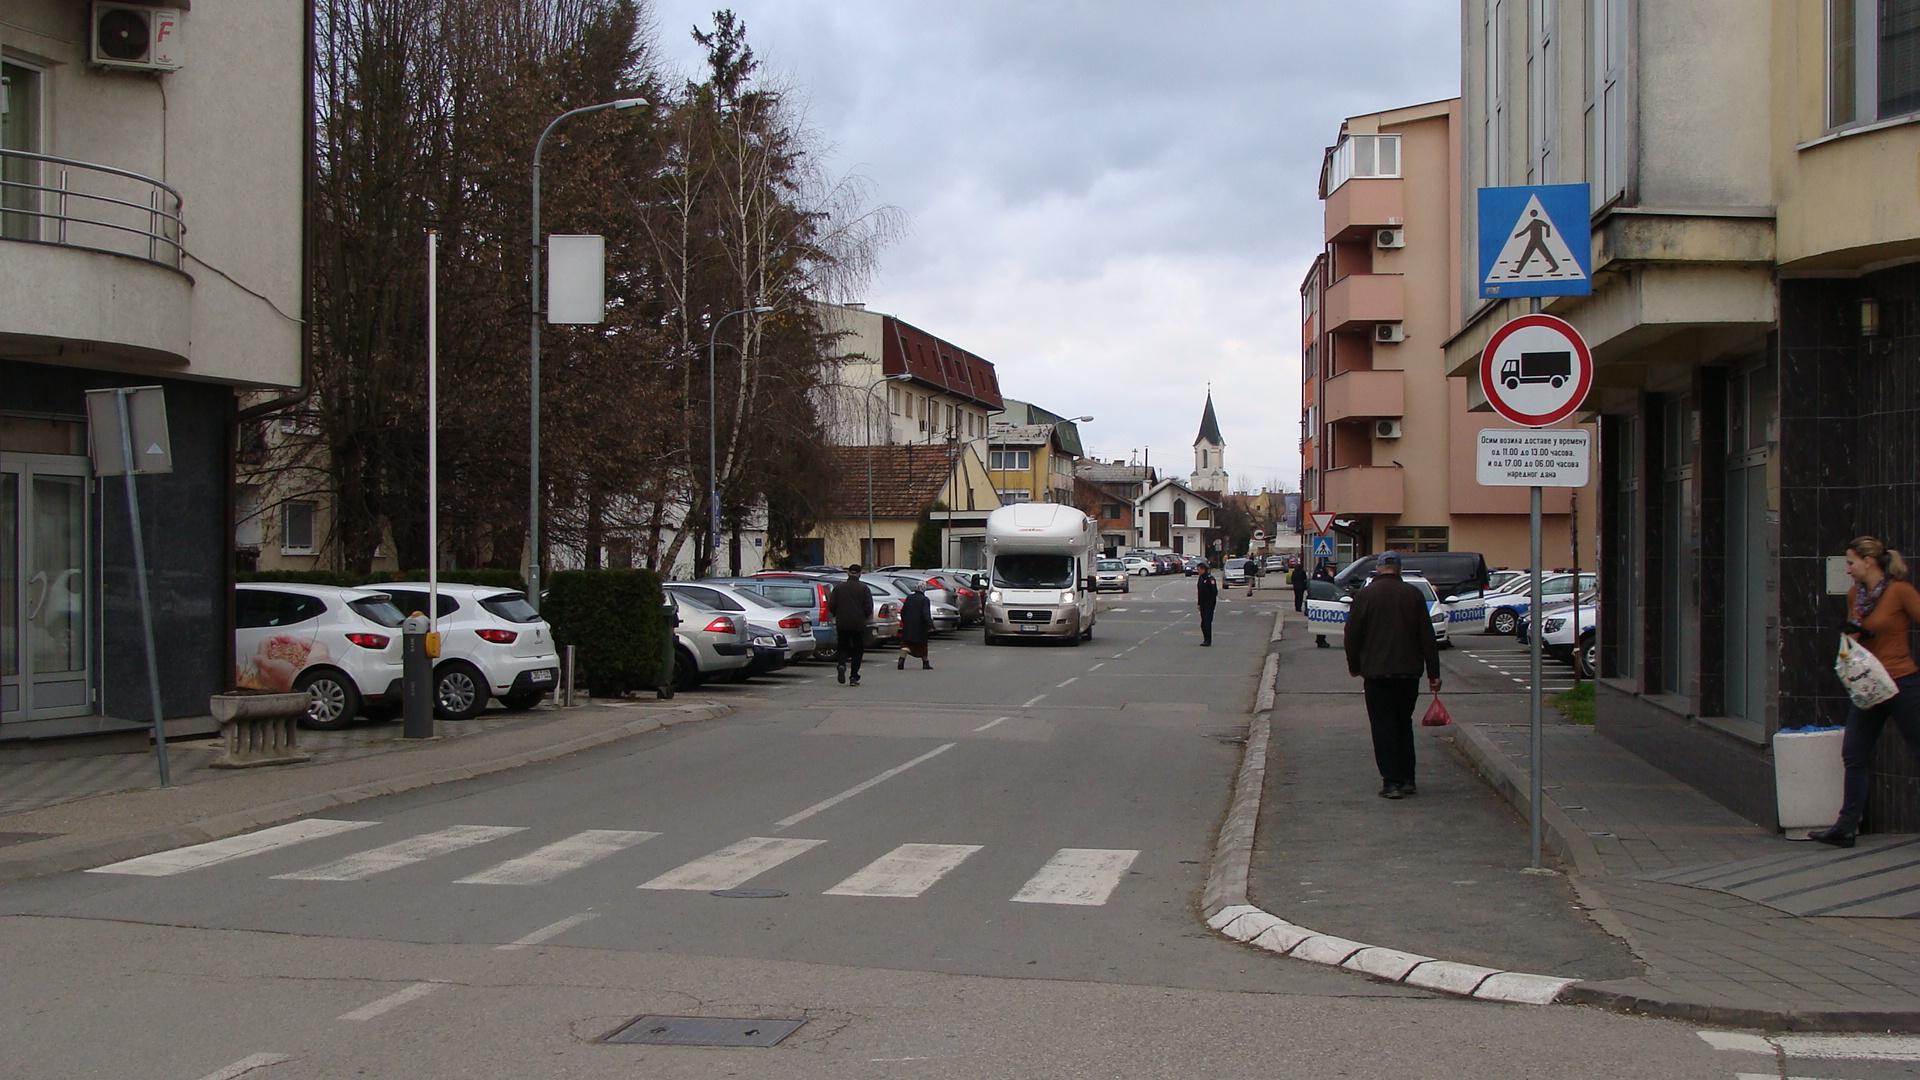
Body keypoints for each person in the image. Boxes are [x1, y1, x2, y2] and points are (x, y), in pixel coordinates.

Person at [1812, 536, 1920, 848]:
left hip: (1901, 680)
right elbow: (1856, 641)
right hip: (1868, 683)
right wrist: (1853, 636)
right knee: (1854, 752)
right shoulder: (1854, 596)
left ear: (1868, 561)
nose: (1847, 569)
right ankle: (1846, 828)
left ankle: (1845, 827)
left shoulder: (1899, 591)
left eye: (1851, 562)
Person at [1343, 551, 1441, 799]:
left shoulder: (1364, 596)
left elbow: (1352, 636)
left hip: (1376, 674)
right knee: (1403, 723)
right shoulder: (1413, 595)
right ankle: (1409, 778)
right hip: (1409, 673)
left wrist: (1354, 665)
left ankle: (1391, 782)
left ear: (1377, 569)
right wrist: (1434, 673)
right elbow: (1427, 637)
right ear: (1399, 569)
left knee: (1383, 726)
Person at [829, 564, 874, 686]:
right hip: (858, 624)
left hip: (842, 623)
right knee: (857, 650)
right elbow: (869, 607)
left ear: (848, 573)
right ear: (860, 574)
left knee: (842, 646)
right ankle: (854, 676)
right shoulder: (864, 588)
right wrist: (863, 616)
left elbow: (831, 605)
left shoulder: (839, 588)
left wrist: (837, 614)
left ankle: (842, 664)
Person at [898, 582, 933, 671]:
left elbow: (903, 611)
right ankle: (925, 663)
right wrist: (930, 624)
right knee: (922, 645)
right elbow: (926, 613)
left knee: (906, 644)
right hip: (920, 626)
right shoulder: (925, 599)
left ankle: (901, 660)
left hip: (908, 625)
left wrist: (905, 621)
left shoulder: (909, 598)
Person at [1312, 561, 1337, 648]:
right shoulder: (1319, 574)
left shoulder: (1328, 574)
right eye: (1330, 567)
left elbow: (1332, 586)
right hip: (1320, 600)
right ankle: (1320, 640)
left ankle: (1321, 639)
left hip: (1327, 600)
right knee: (1321, 621)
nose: (1332, 569)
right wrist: (1329, 576)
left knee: (1324, 621)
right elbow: (1323, 585)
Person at [1196, 563, 1218, 646]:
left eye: (1199, 570)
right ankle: (1205, 639)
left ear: (1203, 569)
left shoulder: (1210, 579)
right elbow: (1200, 592)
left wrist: (1211, 604)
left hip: (1209, 604)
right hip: (1202, 604)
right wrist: (1199, 603)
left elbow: (1214, 592)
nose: (1198, 571)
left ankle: (1208, 641)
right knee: (1203, 624)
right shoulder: (1201, 578)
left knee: (1207, 623)